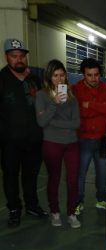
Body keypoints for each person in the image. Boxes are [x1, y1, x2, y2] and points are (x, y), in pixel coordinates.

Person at [0, 38, 48, 227]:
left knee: (32, 175)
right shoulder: (1, 80)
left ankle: (32, 205)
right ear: (7, 57)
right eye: (14, 56)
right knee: (10, 176)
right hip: (10, 142)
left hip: (34, 139)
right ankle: (14, 209)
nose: (19, 60)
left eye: (22, 56)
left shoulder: (34, 79)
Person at [35, 59, 81, 228]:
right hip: (52, 143)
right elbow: (41, 122)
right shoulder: (41, 95)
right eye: (55, 75)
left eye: (62, 75)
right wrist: (53, 105)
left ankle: (71, 212)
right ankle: (55, 212)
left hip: (72, 143)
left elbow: (76, 123)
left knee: (72, 179)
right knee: (54, 178)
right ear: (49, 77)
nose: (59, 79)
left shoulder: (72, 97)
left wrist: (53, 122)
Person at [72, 58, 106, 215]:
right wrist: (99, 108)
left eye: (96, 75)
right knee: (80, 173)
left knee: (102, 173)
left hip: (103, 138)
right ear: (83, 74)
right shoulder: (75, 89)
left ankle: (102, 199)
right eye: (89, 75)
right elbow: (77, 112)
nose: (93, 78)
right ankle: (77, 201)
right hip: (83, 139)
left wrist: (89, 105)